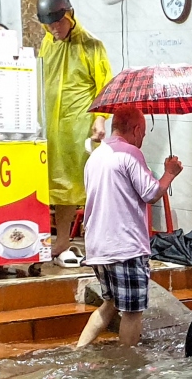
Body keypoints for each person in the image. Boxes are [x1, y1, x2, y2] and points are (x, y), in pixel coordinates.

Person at [76, 107, 183, 348]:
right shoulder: (130, 153)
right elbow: (151, 193)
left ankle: (79, 349)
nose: (142, 140)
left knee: (110, 304)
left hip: (98, 246)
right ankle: (128, 367)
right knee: (133, 312)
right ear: (135, 130)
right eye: (143, 134)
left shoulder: (96, 156)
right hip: (125, 246)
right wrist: (169, 174)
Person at [37, 0, 113, 267]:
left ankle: (93, 242)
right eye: (49, 24)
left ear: (69, 15)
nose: (54, 29)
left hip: (80, 127)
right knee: (56, 188)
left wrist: (101, 118)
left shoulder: (91, 45)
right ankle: (58, 242)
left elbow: (105, 84)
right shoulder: (47, 44)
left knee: (85, 187)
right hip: (50, 129)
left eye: (57, 23)